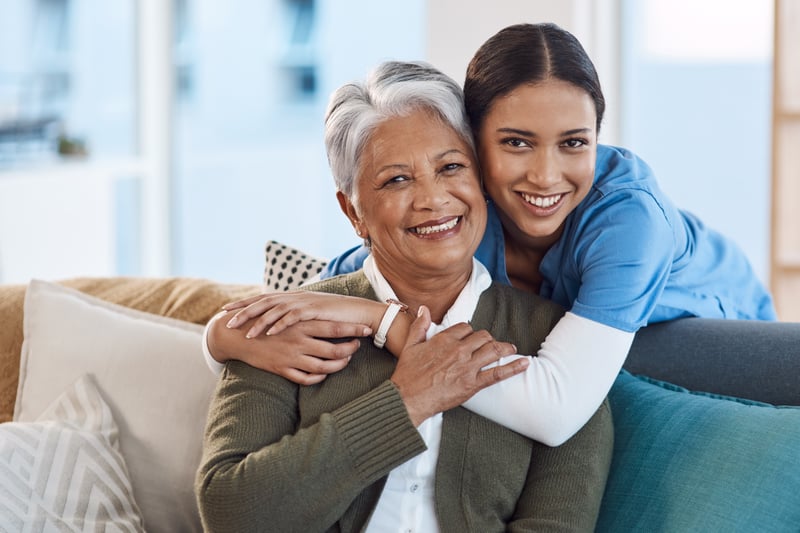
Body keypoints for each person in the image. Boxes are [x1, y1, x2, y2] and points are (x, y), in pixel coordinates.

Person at [211, 22, 774, 445]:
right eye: (516, 143)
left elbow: (554, 413)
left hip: (713, 337)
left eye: (574, 142)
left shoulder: (628, 219)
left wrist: (383, 322)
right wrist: (219, 337)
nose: (546, 176)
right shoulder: (463, 214)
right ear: (472, 146)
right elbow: (326, 290)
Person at [196, 60, 613, 532]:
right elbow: (229, 514)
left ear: (481, 179)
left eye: (451, 167)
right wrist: (406, 400)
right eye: (397, 180)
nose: (433, 200)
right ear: (353, 211)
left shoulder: (556, 349)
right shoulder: (290, 322)